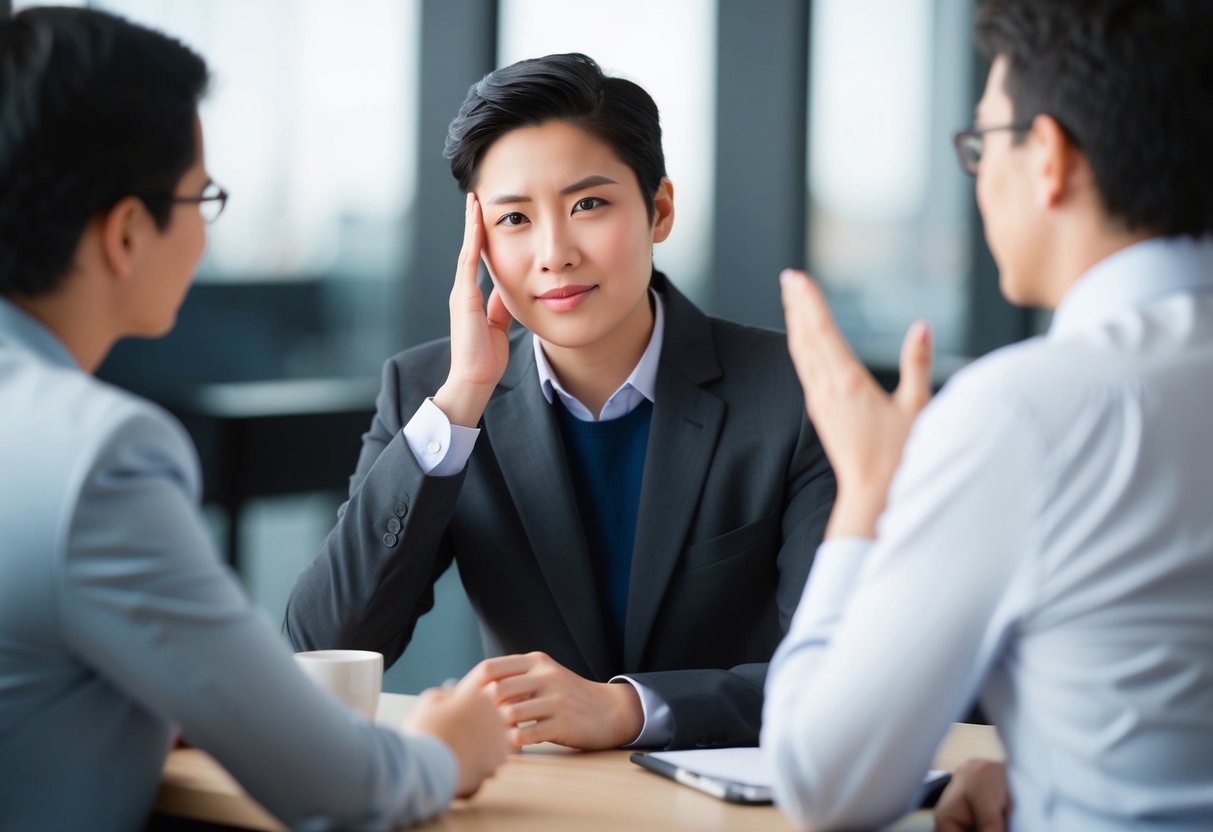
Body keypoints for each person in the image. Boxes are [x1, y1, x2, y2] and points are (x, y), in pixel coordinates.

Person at [0, 8, 507, 831]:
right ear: (127, 232)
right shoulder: (97, 458)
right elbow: (341, 785)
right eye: (202, 196)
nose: (205, 226)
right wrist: (450, 746)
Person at [286, 53, 836, 751]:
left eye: (588, 205)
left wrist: (627, 710)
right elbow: (323, 644)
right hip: (537, 803)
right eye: (513, 219)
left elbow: (840, 672)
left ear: (659, 209)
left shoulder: (791, 390)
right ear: (479, 242)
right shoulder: (432, 394)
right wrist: (461, 401)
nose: (553, 253)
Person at [761, 0, 1213, 829]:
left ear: (1046, 157)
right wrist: (1041, 758)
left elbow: (824, 784)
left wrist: (867, 490)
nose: (977, 179)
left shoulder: (1022, 413)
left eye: (980, 145)